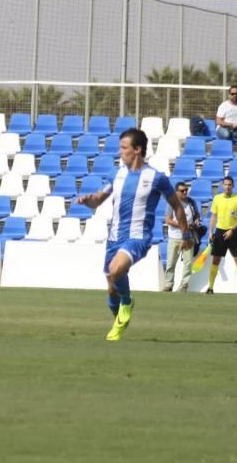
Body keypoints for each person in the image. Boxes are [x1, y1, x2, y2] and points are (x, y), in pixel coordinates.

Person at [77, 128, 188, 341]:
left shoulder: (156, 178)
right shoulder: (116, 174)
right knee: (111, 287)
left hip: (139, 237)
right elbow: (99, 200)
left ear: (137, 150)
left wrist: (185, 234)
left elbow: (177, 206)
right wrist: (88, 200)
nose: (120, 152)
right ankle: (119, 317)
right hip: (114, 238)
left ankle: (127, 303)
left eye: (124, 148)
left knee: (115, 269)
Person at [205, 175, 237, 295]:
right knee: (215, 260)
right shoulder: (217, 198)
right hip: (219, 232)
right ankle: (211, 288)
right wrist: (210, 232)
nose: (227, 187)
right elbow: (213, 216)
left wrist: (232, 229)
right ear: (222, 186)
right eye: (225, 184)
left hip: (233, 232)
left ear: (233, 186)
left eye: (229, 185)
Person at [163, 181, 203, 292]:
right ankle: (168, 284)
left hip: (188, 236)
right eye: (182, 191)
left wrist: (196, 221)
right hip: (174, 237)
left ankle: (184, 285)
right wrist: (183, 225)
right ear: (176, 192)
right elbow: (168, 220)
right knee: (171, 262)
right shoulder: (172, 203)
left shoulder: (191, 202)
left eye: (186, 190)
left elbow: (196, 215)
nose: (185, 192)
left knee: (188, 262)